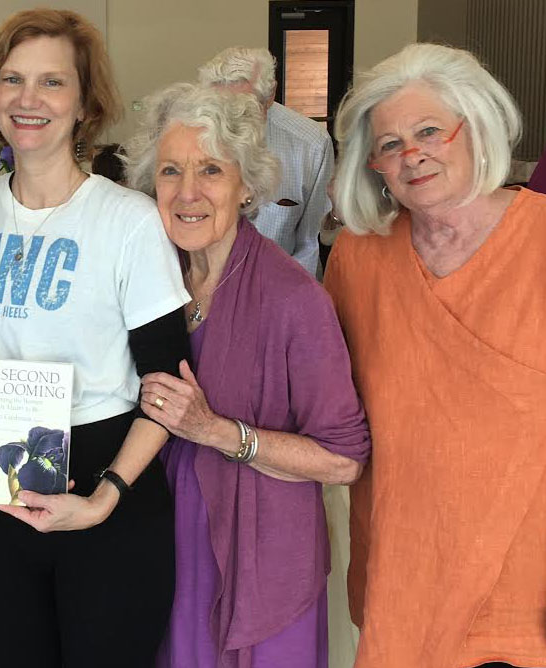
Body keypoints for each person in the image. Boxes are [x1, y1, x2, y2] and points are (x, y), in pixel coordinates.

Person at [0, 9, 190, 667]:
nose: (29, 100)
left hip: (106, 482)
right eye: (13, 80)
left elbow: (169, 388)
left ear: (84, 103)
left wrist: (103, 497)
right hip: (3, 473)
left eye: (52, 83)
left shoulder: (127, 221)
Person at [125, 83, 370, 668]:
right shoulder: (145, 282)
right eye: (169, 171)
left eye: (211, 170)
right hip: (164, 547)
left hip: (260, 557)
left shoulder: (294, 300)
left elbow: (343, 459)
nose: (187, 193)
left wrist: (214, 430)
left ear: (247, 186)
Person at [324, 43, 546, 668]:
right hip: (405, 569)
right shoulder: (359, 259)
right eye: (389, 145)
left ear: (475, 127)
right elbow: (328, 404)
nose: (412, 155)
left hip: (523, 583)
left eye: (428, 131)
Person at [199, 47, 334, 276]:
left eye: (244, 109)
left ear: (270, 95)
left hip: (281, 282)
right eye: (220, 109)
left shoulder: (310, 145)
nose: (231, 122)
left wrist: (286, 299)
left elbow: (311, 242)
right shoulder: (193, 135)